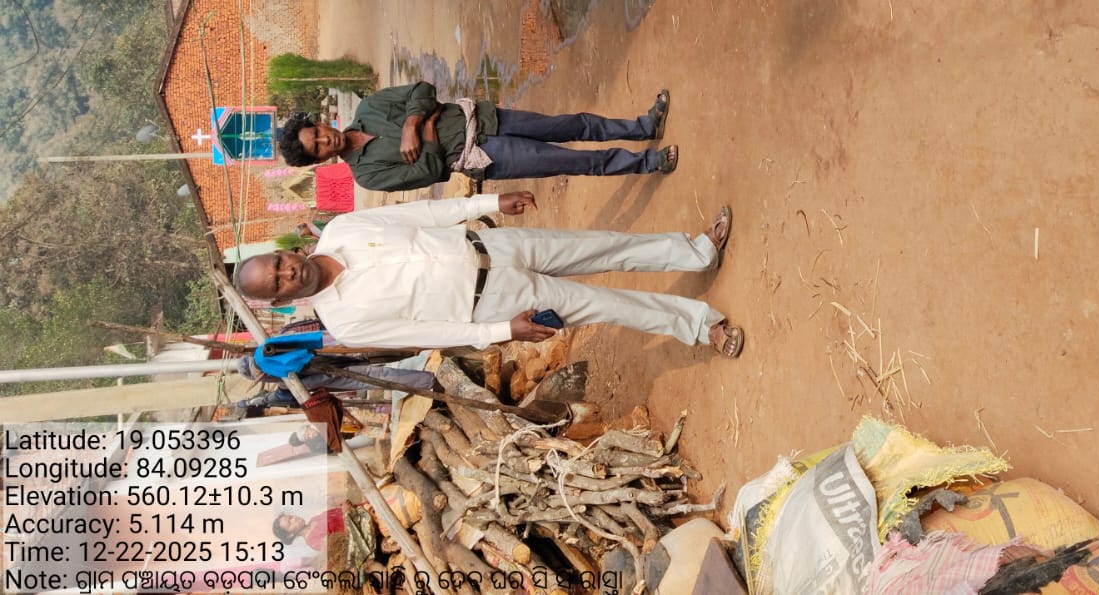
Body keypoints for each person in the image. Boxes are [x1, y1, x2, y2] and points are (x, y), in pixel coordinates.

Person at [231, 192, 744, 357]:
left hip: (492, 245)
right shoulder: (346, 322)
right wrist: (503, 331)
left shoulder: (344, 228)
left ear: (283, 252)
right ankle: (704, 327)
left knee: (604, 246)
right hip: (494, 303)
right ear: (281, 301)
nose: (287, 272)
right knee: (608, 305)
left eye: (277, 263)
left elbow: (422, 213)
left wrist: (489, 202)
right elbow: (430, 334)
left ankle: (697, 251)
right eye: (277, 283)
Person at [277, 80, 678, 192]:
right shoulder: (367, 175)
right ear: (320, 160)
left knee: (573, 124)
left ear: (320, 123)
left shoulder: (370, 108)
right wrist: (429, 125)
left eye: (318, 133)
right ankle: (648, 162)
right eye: (318, 148)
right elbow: (429, 173)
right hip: (484, 156)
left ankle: (644, 127)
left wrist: (414, 125)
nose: (326, 140)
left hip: (486, 117)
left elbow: (421, 90)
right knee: (573, 160)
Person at [272, 506, 347, 551]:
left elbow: (337, 512)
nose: (294, 518)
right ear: (290, 535)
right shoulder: (312, 541)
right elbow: (341, 543)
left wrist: (343, 507)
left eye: (290, 517)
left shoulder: (313, 519)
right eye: (290, 523)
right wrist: (347, 514)